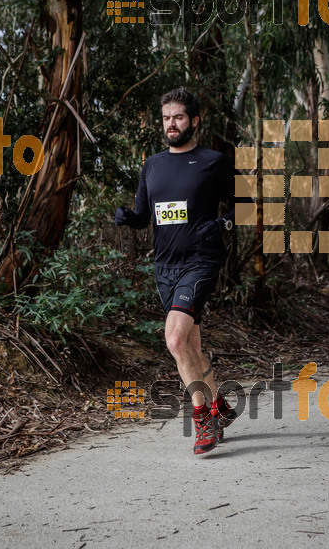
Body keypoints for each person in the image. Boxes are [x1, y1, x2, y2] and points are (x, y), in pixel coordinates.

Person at [115, 87, 238, 454]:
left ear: (194, 121)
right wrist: (129, 218)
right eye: (167, 118)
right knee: (192, 344)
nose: (172, 124)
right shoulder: (151, 165)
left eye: (179, 117)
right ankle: (220, 405)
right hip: (164, 265)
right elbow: (144, 215)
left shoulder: (214, 161)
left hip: (201, 260)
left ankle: (203, 420)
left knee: (174, 340)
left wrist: (222, 224)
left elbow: (246, 206)